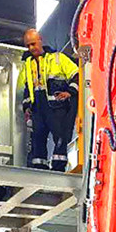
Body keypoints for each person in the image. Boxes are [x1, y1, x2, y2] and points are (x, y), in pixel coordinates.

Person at [21, 29, 79, 171]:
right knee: (38, 138)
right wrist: (27, 107)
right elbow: (27, 87)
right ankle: (39, 167)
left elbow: (77, 75)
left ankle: (58, 167)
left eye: (33, 44)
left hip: (56, 106)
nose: (31, 48)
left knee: (60, 136)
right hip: (38, 107)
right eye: (28, 45)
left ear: (40, 40)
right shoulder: (27, 64)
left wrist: (69, 92)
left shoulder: (59, 58)